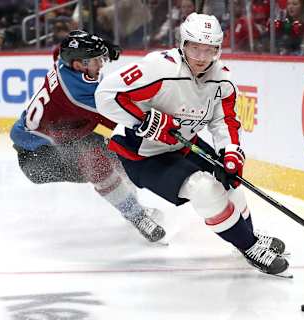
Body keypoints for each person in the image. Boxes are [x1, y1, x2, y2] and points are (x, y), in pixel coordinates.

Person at [95, 13, 289, 276]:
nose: (200, 56)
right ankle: (250, 246)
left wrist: (230, 152)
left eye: (208, 50)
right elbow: (106, 95)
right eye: (194, 47)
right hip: (141, 154)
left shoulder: (223, 80)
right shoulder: (159, 68)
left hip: (182, 145)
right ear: (182, 44)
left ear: (217, 50)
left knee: (229, 179)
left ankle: (245, 235)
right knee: (206, 190)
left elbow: (225, 120)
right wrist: (144, 120)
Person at [10, 30, 166, 243]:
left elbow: (62, 47)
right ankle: (136, 216)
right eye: (95, 60)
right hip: (37, 160)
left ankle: (133, 206)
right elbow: (119, 118)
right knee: (97, 161)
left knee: (119, 154)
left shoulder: (64, 63)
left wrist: (100, 44)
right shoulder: (79, 94)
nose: (101, 64)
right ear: (78, 65)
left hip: (57, 140)